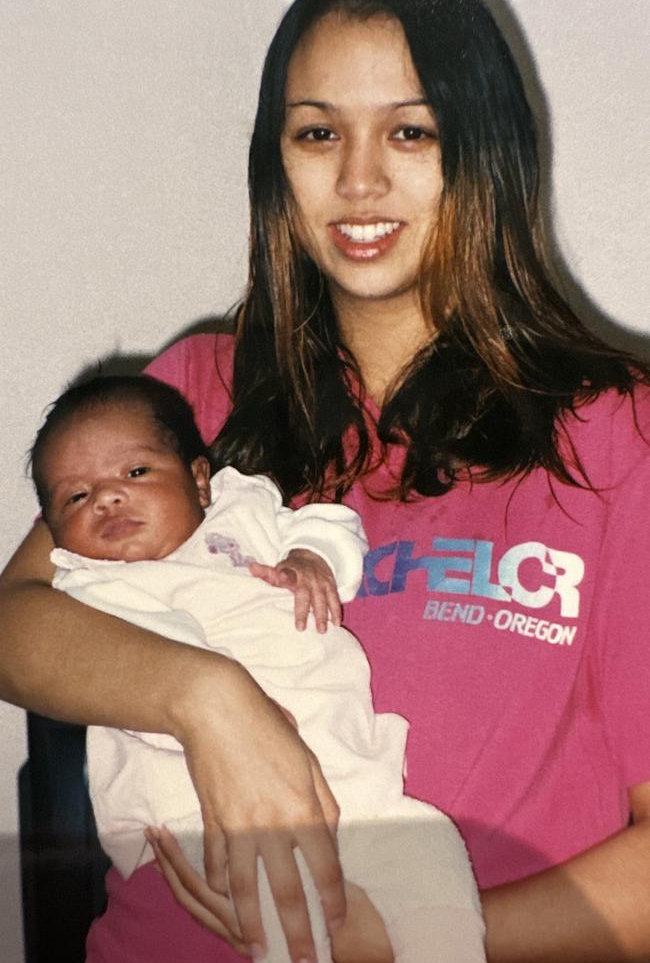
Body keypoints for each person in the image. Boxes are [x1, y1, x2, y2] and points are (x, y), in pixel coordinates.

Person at [2, 0, 650, 960]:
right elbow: (16, 621)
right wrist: (207, 700)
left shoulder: (616, 437)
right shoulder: (193, 396)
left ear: (484, 151)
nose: (357, 182)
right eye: (317, 133)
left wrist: (400, 944)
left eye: (409, 131)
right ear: (276, 161)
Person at [30, 372, 486, 963]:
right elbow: (140, 677)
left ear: (199, 480)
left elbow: (331, 522)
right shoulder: (92, 588)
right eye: (76, 496)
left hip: (354, 788)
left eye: (135, 473)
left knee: (430, 849)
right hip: (211, 812)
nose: (108, 498)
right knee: (282, 906)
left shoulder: (242, 514)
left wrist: (309, 557)